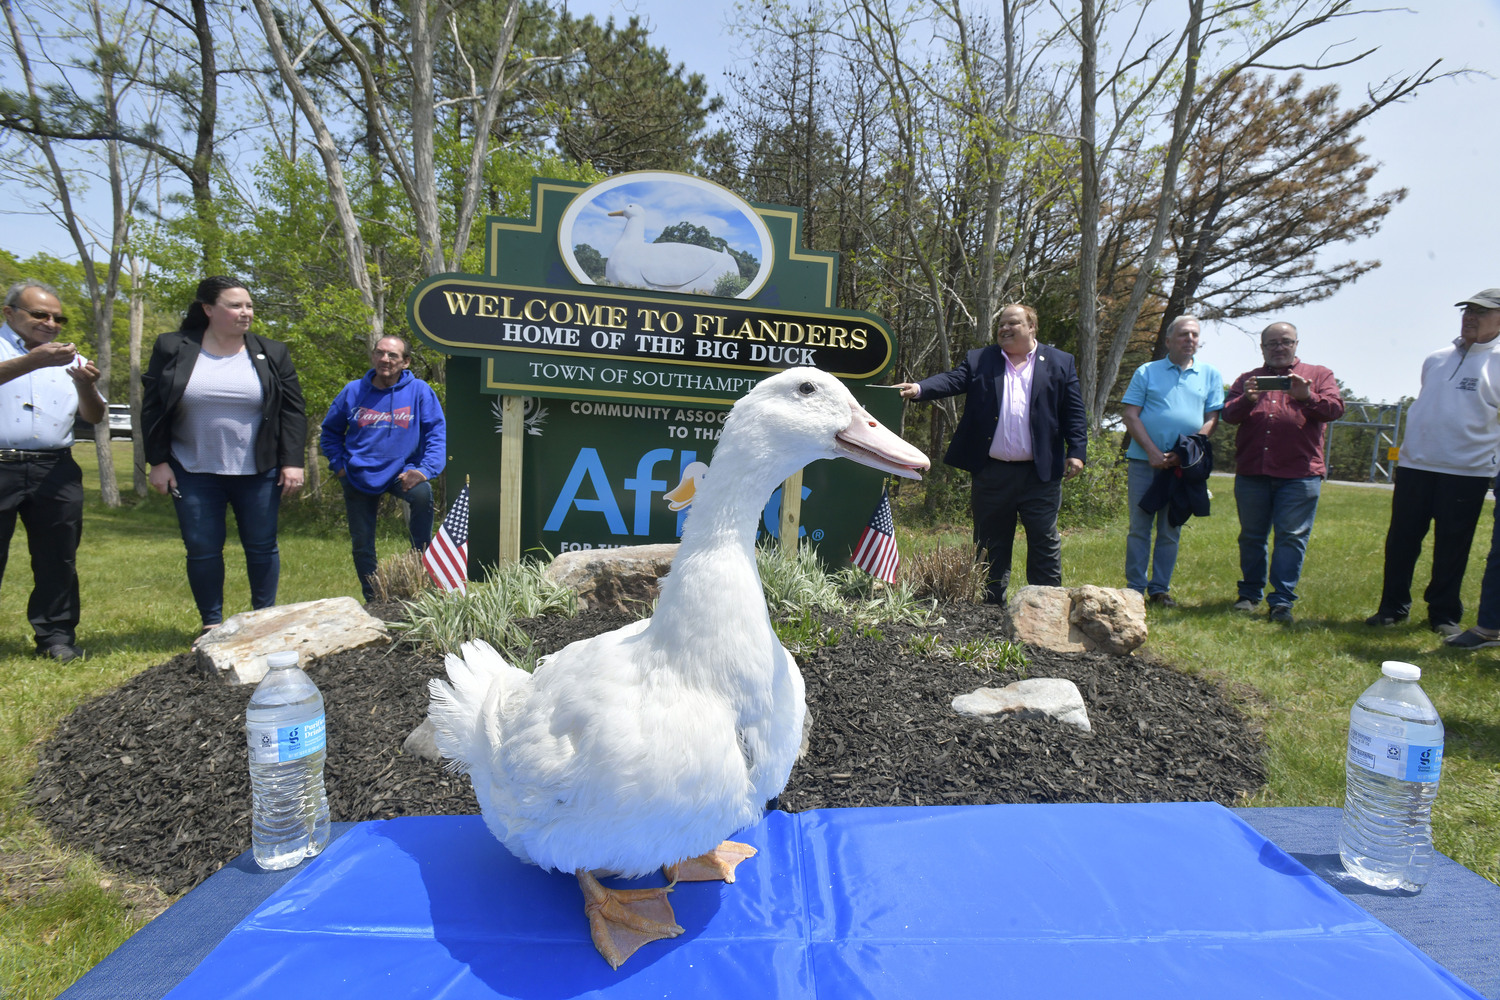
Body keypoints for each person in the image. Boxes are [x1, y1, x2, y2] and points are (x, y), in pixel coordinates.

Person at [142, 277, 307, 636]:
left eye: (248, 305)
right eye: (235, 305)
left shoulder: (271, 352)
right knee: (202, 548)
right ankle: (211, 625)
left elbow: (293, 411)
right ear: (208, 309)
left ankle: (264, 620)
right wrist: (158, 461)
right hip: (193, 468)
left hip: (258, 470)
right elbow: (153, 408)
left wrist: (292, 461)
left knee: (262, 546)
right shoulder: (174, 347)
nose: (245, 312)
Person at [895, 303, 1087, 604]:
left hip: (1041, 473)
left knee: (1043, 540)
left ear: (1032, 327)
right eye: (1001, 323)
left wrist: (1077, 452)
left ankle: (1047, 604)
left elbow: (1074, 412)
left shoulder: (1060, 362)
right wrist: (920, 388)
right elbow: (952, 380)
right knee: (989, 542)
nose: (1004, 328)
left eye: (1012, 323)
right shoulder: (981, 359)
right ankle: (988, 605)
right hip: (992, 471)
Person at [1368, 288, 1500, 637]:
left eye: (1481, 312)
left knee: (1452, 546)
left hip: (1466, 472)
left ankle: (1443, 613)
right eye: (1467, 310)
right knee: (1401, 541)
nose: (1470, 317)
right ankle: (1391, 608)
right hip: (1416, 466)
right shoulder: (1436, 358)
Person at [0, 281, 106, 662]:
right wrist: (36, 360)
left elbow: (93, 416)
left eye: (57, 317)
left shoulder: (72, 359)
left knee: (57, 556)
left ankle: (56, 636)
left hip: (54, 467)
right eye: (39, 314)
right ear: (9, 313)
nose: (51, 323)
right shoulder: (31, 354)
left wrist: (88, 387)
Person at [1221, 322, 1344, 624]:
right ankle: (1249, 594)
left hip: (1300, 474)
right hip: (1253, 472)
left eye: (1285, 342)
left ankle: (1281, 602)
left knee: (1291, 538)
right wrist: (1246, 399)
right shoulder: (1249, 379)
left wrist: (1306, 396)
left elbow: (1335, 409)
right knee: (1251, 537)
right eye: (1271, 343)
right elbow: (1227, 414)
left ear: (1296, 344)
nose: (1279, 348)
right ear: (1262, 348)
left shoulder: (1318, 375)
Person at [321, 335, 447, 602]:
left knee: (422, 495)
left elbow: (436, 433)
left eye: (392, 356)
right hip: (357, 474)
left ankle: (420, 580)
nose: (384, 359)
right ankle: (374, 599)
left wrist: (424, 470)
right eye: (379, 353)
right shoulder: (353, 391)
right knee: (362, 542)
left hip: (403, 473)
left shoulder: (419, 391)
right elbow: (330, 432)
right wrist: (340, 466)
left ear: (405, 362)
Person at [1119, 315, 1224, 607]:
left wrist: (1186, 452)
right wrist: (1152, 451)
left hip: (1183, 467)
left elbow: (1211, 418)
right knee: (1139, 527)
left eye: (1194, 335)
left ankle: (1159, 589)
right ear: (1168, 341)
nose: (1189, 339)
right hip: (1144, 463)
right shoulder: (1147, 372)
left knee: (1171, 527)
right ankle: (1135, 589)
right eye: (1183, 334)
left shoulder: (1210, 375)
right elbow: (1130, 415)